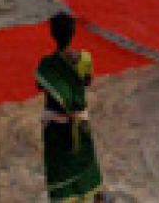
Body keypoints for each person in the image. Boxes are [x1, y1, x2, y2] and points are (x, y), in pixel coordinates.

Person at [36, 13, 111, 203]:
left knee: (60, 169)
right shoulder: (85, 58)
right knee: (86, 163)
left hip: (56, 127)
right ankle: (97, 197)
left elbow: (40, 86)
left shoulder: (46, 64)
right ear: (73, 33)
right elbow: (87, 81)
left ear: (53, 34)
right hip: (80, 123)